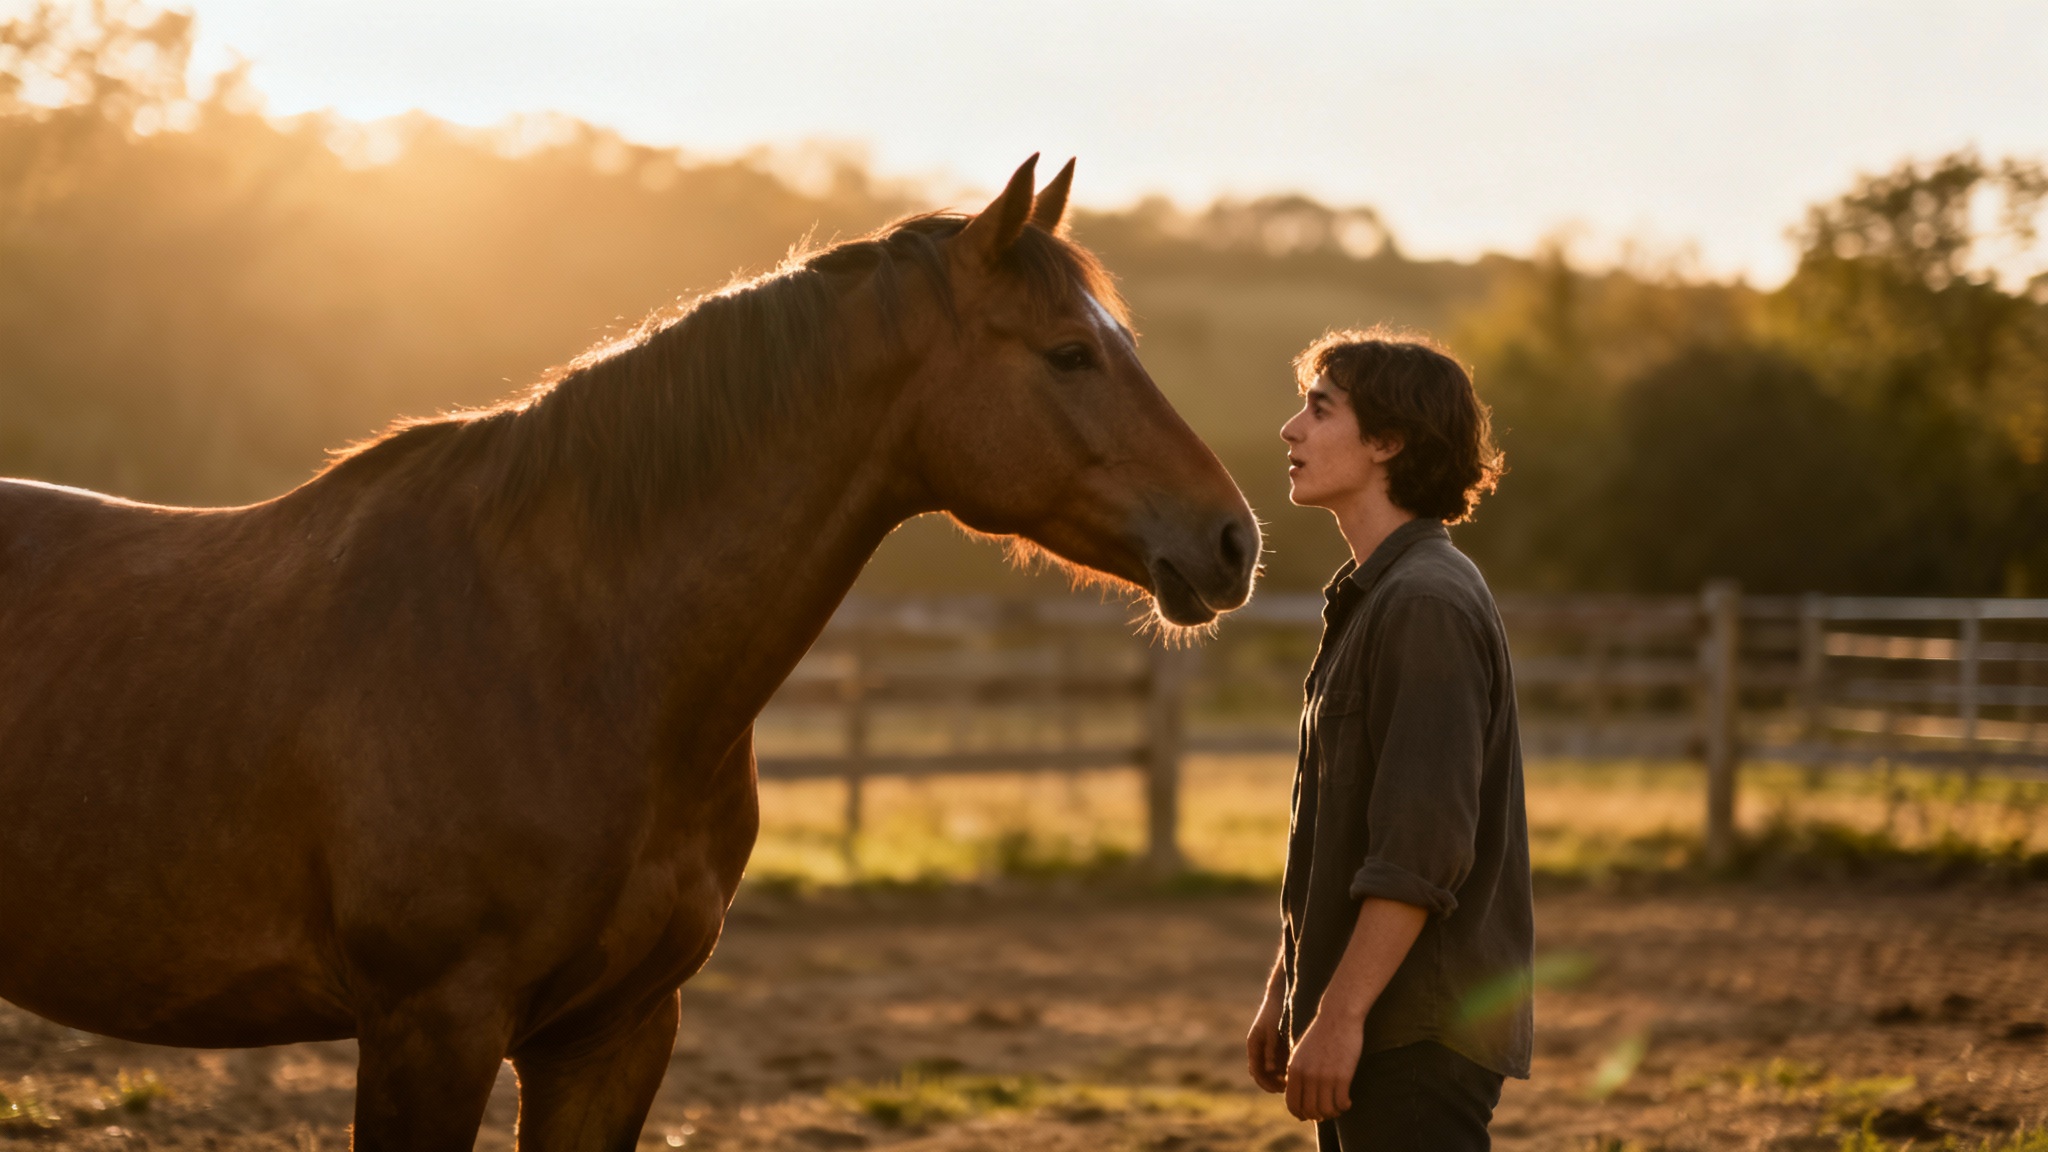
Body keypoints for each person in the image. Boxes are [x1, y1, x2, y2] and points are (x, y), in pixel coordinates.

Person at [1246, 329, 1531, 1151]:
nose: (1290, 430)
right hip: (1375, 1020)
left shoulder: (1425, 604)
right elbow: (1344, 835)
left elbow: (1422, 848)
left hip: (1414, 1031)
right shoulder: (1381, 595)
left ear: (1388, 441)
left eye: (1318, 409)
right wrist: (1289, 990)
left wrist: (1337, 1017)